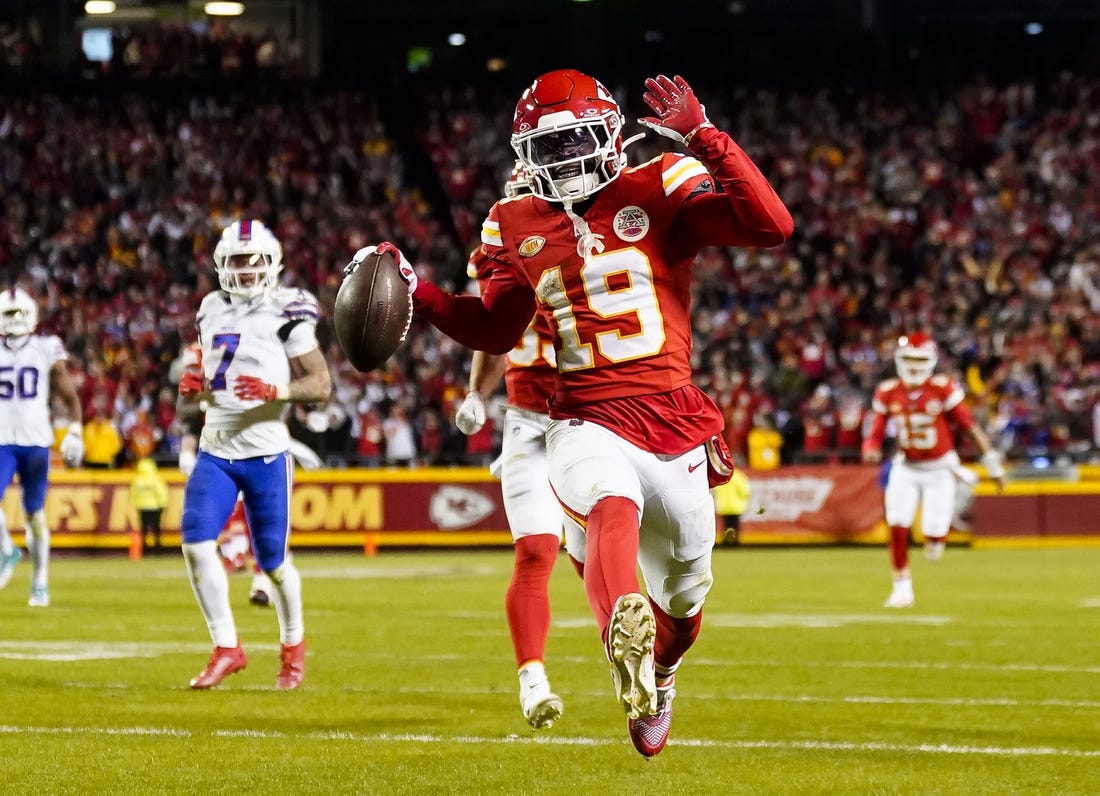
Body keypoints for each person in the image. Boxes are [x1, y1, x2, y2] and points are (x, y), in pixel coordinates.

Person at [357, 70, 792, 756]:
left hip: (673, 416)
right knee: (608, 504)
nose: (560, 162)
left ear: (609, 136)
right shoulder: (515, 220)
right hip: (582, 414)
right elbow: (498, 329)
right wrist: (422, 292)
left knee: (684, 598)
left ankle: (661, 671)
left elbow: (772, 226)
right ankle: (623, 632)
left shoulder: (661, 182)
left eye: (572, 144)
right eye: (545, 149)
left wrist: (707, 138)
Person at [178, 219, 331, 690]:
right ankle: (227, 647)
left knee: (274, 565)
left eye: (254, 261)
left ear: (272, 263)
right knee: (196, 543)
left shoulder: (289, 309)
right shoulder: (208, 308)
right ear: (222, 265)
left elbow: (320, 386)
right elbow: (205, 388)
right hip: (216, 449)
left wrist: (278, 389)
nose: (245, 270)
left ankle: (293, 648)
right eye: (237, 261)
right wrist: (193, 389)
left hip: (265, 454)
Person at [455, 246, 586, 731]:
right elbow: (493, 334)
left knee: (593, 558)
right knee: (534, 552)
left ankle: (644, 663)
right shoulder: (504, 256)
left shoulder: (591, 245)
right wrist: (476, 392)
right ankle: (532, 679)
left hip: (588, 422)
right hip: (526, 423)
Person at [862, 333, 1007, 608]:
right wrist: (870, 447)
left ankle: (936, 540)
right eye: (909, 360)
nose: (914, 366)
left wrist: (993, 465)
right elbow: (876, 429)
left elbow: (969, 427)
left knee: (934, 533)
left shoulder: (943, 389)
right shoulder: (888, 391)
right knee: (897, 524)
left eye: (919, 360)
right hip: (906, 466)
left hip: (940, 468)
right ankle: (902, 588)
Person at [0, 286, 84, 606]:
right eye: (9, 314)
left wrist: (75, 431)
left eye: (20, 313)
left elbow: (69, 396)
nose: (16, 319)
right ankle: (7, 550)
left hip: (36, 439)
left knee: (34, 515)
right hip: (2, 438)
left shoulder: (46, 348)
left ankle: (40, 581)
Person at [130, 457, 169, 554]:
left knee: (144, 528)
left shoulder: (137, 480)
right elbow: (162, 492)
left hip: (142, 507)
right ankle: (157, 546)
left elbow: (133, 494)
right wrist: (163, 504)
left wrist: (136, 504)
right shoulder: (155, 479)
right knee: (156, 527)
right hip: (155, 507)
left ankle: (144, 547)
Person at [712, 458, 751, 546]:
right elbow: (745, 492)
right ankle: (735, 542)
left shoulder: (721, 475)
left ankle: (726, 543)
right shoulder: (739, 476)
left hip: (724, 505)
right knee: (735, 526)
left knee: (726, 525)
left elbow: (715, 490)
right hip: (736, 506)